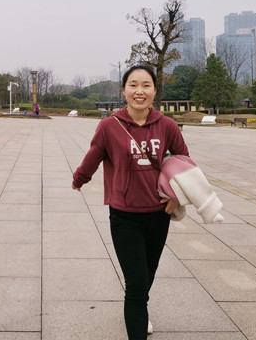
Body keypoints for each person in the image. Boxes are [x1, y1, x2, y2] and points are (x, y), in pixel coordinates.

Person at [71, 65, 188, 339]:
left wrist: (176, 197)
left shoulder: (167, 125)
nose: (139, 91)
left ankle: (140, 311)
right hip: (124, 216)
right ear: (123, 90)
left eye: (146, 85)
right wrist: (79, 179)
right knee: (136, 284)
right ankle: (138, 318)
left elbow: (184, 162)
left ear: (154, 90)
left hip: (158, 214)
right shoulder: (109, 126)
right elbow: (94, 156)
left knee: (147, 275)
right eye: (133, 85)